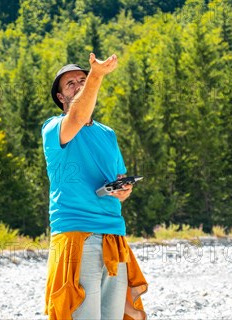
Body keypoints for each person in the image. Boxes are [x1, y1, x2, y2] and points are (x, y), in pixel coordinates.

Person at [42, 53, 148, 320]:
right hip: (76, 236)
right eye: (71, 84)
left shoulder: (107, 134)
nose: (79, 85)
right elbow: (77, 118)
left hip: (113, 235)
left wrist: (124, 190)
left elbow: (118, 181)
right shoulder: (53, 127)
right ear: (60, 98)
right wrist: (96, 75)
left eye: (82, 80)